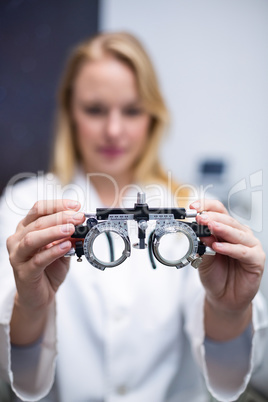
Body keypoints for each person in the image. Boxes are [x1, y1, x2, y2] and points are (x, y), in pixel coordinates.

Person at [0, 31, 267, 402]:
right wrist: (29, 306)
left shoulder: (194, 209)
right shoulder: (24, 206)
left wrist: (229, 308)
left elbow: (228, 376)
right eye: (95, 109)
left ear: (152, 116)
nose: (113, 130)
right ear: (70, 112)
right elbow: (18, 379)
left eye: (131, 110)